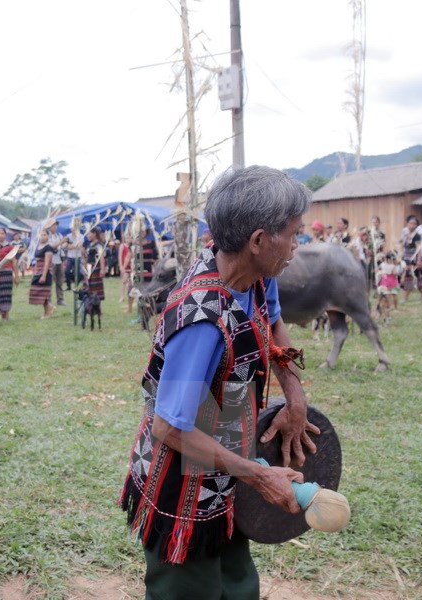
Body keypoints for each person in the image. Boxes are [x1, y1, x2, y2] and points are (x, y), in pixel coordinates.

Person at [120, 166, 319, 599]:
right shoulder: (201, 321)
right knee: (189, 587)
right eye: (294, 234)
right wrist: (259, 477)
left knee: (237, 584)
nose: (297, 246)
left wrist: (295, 399)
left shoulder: (256, 274)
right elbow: (169, 427)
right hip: (183, 479)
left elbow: (275, 324)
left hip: (227, 463)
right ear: (259, 240)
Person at [28, 227, 56, 319]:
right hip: (37, 271)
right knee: (36, 291)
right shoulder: (38, 246)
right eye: (41, 235)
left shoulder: (49, 247)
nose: (43, 237)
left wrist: (44, 275)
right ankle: (49, 308)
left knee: (44, 293)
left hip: (45, 272)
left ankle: (48, 311)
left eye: (45, 235)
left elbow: (47, 263)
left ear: (48, 236)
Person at [400, 215, 422, 302]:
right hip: (405, 258)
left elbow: (419, 249)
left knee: (408, 277)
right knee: (417, 278)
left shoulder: (417, 236)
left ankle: (405, 297)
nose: (412, 225)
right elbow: (402, 245)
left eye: (414, 224)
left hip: (413, 259)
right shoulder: (405, 234)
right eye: (410, 223)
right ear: (407, 224)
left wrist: (419, 260)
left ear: (417, 225)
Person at [46, 218, 66, 306]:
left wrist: (65, 243)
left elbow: (64, 245)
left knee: (60, 281)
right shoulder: (47, 235)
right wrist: (61, 242)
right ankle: (48, 301)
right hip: (50, 261)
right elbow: (51, 246)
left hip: (59, 261)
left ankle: (60, 300)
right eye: (53, 225)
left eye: (55, 225)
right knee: (50, 281)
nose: (55, 226)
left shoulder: (58, 235)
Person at [84, 228, 106, 300]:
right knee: (90, 286)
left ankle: (96, 304)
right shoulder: (90, 244)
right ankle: (91, 304)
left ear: (94, 234)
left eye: (89, 234)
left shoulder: (98, 244)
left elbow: (101, 256)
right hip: (89, 268)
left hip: (96, 267)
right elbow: (86, 256)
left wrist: (102, 269)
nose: (88, 235)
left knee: (96, 286)